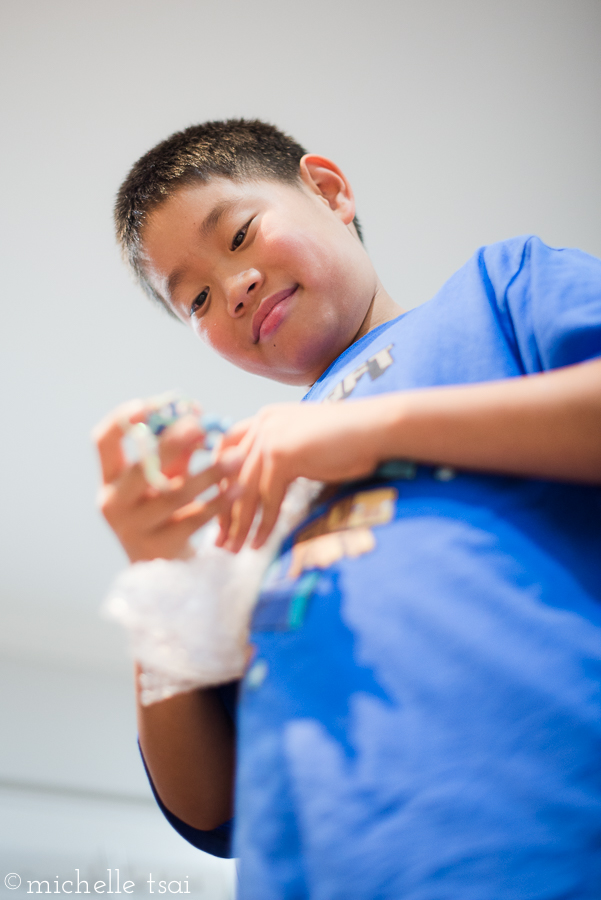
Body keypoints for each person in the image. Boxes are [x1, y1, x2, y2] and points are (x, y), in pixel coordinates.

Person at [94, 119, 601, 898]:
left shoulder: (501, 290)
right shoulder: (248, 484)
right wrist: (161, 583)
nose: (231, 291)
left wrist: (371, 426)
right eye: (195, 298)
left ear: (328, 191)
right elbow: (209, 809)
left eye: (239, 235)